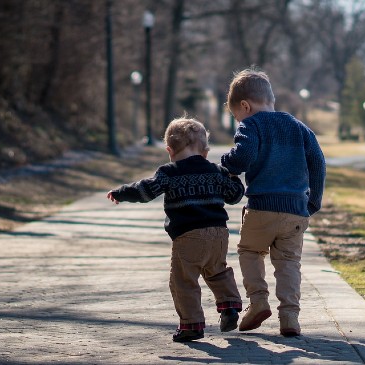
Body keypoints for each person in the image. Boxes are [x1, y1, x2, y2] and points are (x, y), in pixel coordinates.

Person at [107, 118, 245, 343]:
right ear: (205, 151)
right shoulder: (216, 171)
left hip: (188, 236)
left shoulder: (168, 173)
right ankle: (229, 306)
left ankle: (192, 325)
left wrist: (122, 193)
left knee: (183, 281)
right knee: (217, 271)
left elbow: (146, 191)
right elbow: (234, 196)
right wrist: (234, 178)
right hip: (219, 234)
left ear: (169, 150)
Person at [221, 67, 326, 337]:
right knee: (289, 262)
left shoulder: (251, 125)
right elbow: (318, 163)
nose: (238, 120)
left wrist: (226, 163)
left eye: (236, 115)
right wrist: (312, 201)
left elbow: (242, 158)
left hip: (261, 208)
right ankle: (290, 317)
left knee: (250, 252)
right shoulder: (299, 127)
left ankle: (257, 302)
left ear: (245, 106)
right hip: (295, 211)